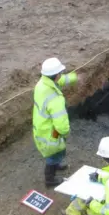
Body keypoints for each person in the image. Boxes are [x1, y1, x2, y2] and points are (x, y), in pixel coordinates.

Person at [32, 57, 84, 187]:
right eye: (60, 73)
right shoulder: (55, 99)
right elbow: (62, 125)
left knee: (55, 154)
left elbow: (61, 80)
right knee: (53, 155)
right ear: (56, 75)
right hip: (50, 133)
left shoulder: (42, 84)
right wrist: (65, 134)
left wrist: (75, 77)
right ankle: (50, 180)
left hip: (41, 126)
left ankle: (57, 163)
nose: (61, 75)